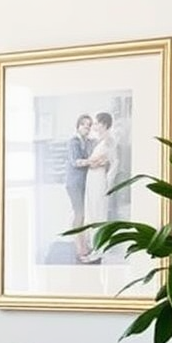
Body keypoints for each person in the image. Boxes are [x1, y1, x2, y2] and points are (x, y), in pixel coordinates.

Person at [82, 111, 119, 261]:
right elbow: (94, 160)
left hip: (99, 180)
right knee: (91, 212)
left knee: (98, 213)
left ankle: (98, 250)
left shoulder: (110, 140)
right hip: (92, 179)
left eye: (96, 123)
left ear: (103, 124)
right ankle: (94, 247)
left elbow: (115, 162)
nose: (94, 126)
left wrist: (107, 182)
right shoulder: (100, 141)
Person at [65, 113, 94, 261]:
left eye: (89, 125)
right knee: (79, 214)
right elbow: (75, 161)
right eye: (84, 125)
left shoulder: (88, 141)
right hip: (74, 183)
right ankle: (80, 248)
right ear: (78, 126)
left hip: (83, 183)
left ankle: (84, 245)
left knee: (83, 215)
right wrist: (92, 161)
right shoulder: (73, 142)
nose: (87, 128)